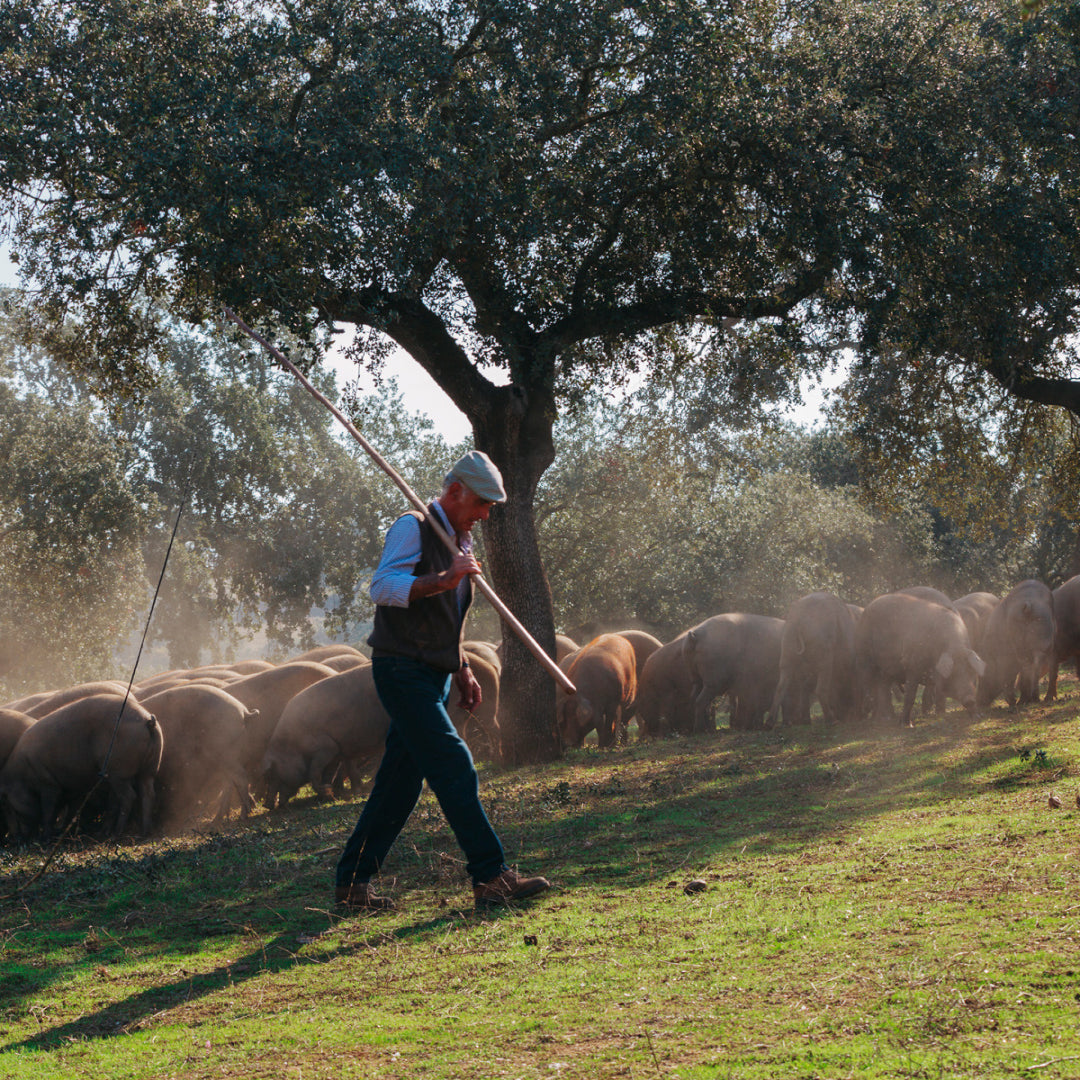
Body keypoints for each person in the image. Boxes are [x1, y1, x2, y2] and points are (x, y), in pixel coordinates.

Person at [335, 450, 552, 910]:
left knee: (400, 781)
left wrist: (462, 666)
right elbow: (381, 588)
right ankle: (491, 876)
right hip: (400, 669)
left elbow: (446, 617)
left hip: (432, 672)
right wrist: (441, 578)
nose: (486, 514)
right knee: (454, 762)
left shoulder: (459, 540)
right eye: (481, 504)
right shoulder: (412, 527)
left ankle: (352, 884)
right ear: (455, 492)